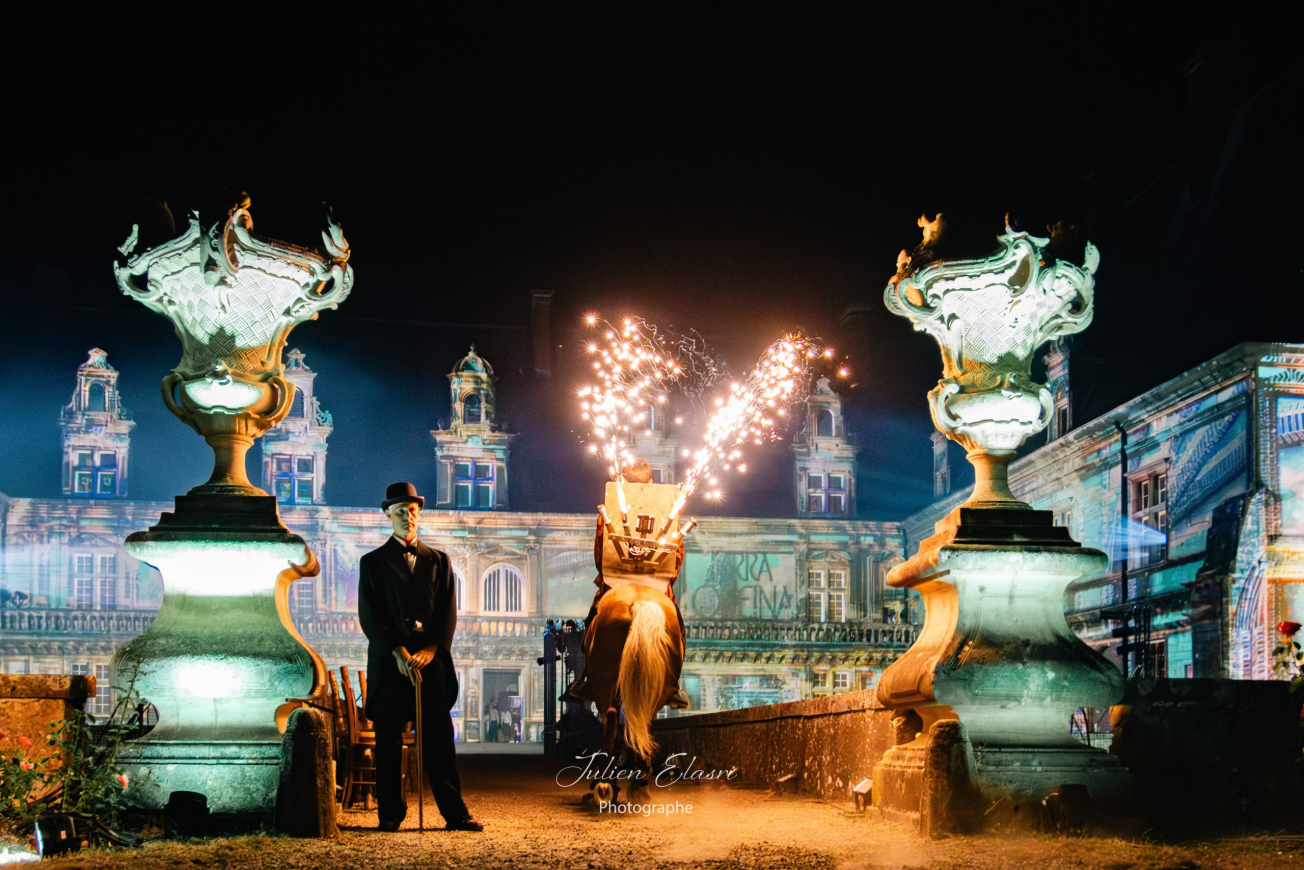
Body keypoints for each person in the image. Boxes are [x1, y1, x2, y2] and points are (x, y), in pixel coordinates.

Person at [358, 481, 483, 833]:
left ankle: (455, 814)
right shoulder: (372, 563)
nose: (407, 517)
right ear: (388, 514)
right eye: (400, 511)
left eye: (412, 511)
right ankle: (390, 814)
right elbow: (370, 616)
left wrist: (431, 649)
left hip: (431, 667)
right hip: (390, 665)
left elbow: (448, 614)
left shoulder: (439, 561)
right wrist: (398, 652)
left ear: (419, 514)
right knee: (388, 743)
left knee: (440, 742)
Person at [563, 462, 690, 708]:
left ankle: (588, 681)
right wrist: (664, 579)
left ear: (624, 484)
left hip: (615, 584)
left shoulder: (609, 512)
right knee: (679, 631)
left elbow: (601, 556)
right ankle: (672, 687)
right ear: (650, 483)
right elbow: (676, 556)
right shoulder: (668, 511)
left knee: (592, 623)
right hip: (657, 587)